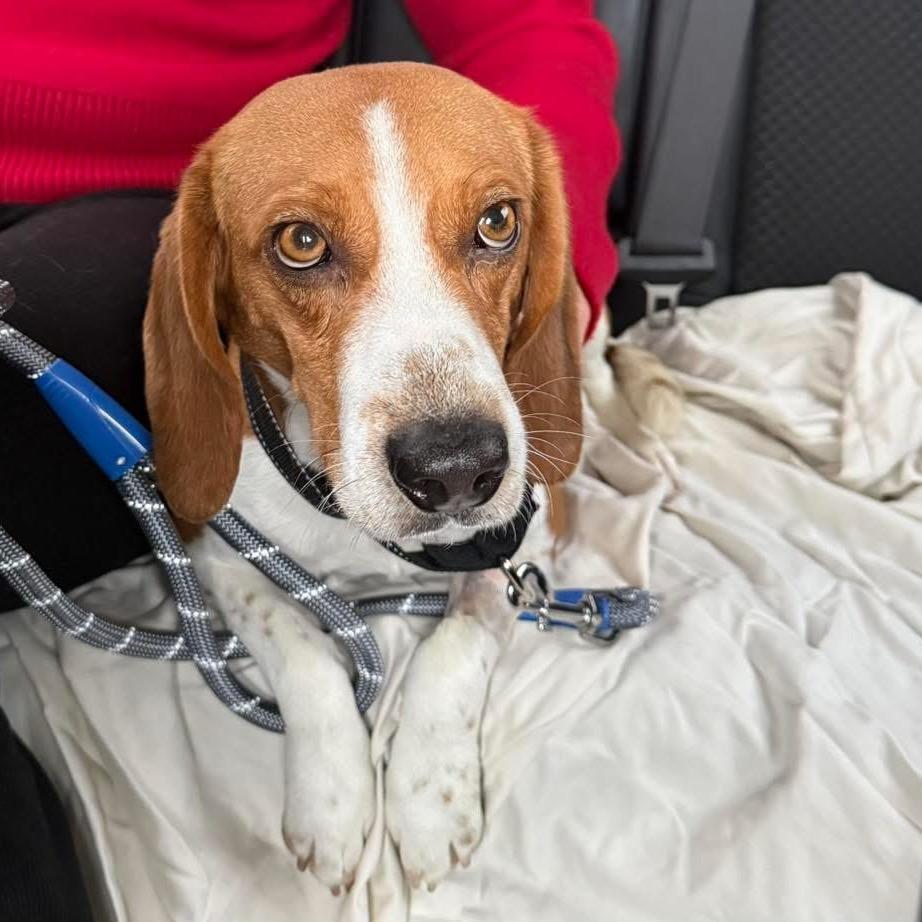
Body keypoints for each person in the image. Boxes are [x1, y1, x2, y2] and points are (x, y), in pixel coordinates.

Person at [0, 1, 621, 917]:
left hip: (114, 215)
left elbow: (532, 25)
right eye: (307, 245)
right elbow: (206, 508)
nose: (456, 457)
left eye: (490, 227)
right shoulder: (221, 356)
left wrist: (453, 678)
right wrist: (311, 691)